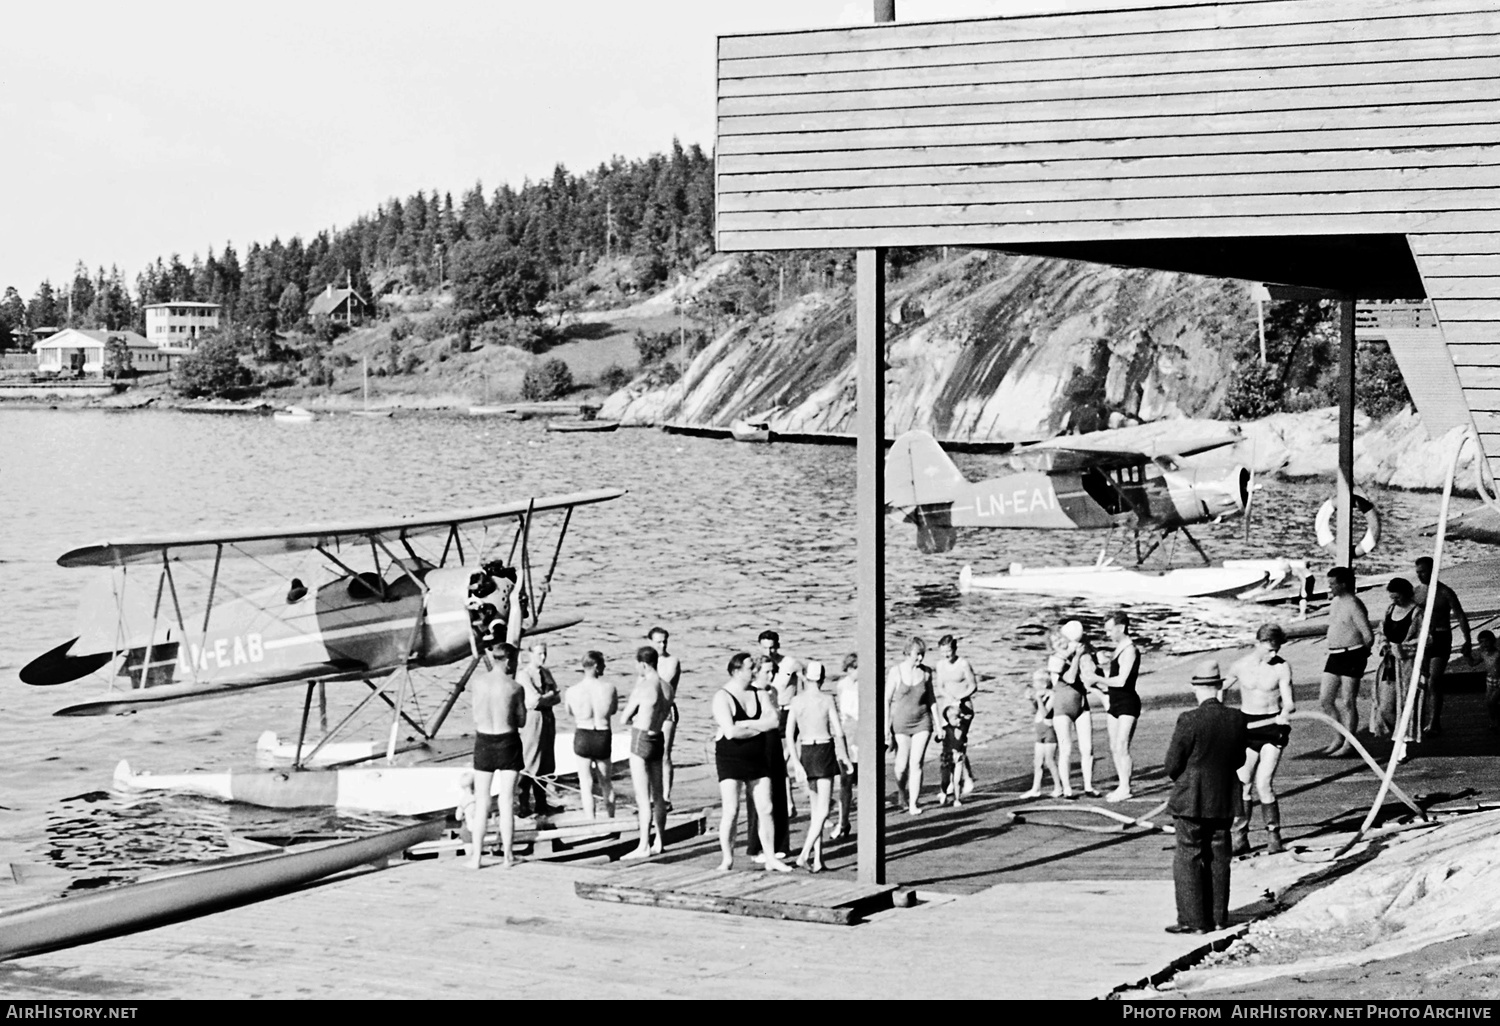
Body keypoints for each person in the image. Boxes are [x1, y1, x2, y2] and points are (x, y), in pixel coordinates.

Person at [1164, 659, 1248, 934]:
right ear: (1220, 687)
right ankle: (1218, 917)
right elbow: (1238, 759)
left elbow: (1172, 765)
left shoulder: (1189, 719)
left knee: (1188, 855)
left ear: (1196, 689)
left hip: (1192, 797)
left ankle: (1192, 920)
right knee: (1219, 856)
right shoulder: (1237, 718)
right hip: (1223, 797)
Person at [712, 652, 792, 873]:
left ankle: (770, 857)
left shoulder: (760, 693)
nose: (755, 672)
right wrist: (759, 725)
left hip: (757, 757)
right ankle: (727, 858)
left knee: (766, 807)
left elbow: (774, 721)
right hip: (730, 758)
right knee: (731, 809)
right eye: (751, 668)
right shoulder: (722, 696)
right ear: (737, 671)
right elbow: (731, 732)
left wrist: (747, 723)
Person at [1222, 624, 1295, 856]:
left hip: (1272, 728)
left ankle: (1274, 836)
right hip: (1247, 727)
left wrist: (1286, 713)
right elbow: (1220, 688)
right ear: (1258, 643)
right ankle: (1240, 838)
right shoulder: (1240, 666)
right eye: (1269, 650)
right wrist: (1218, 710)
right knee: (1243, 782)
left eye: (1277, 649)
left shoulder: (1282, 667)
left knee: (1264, 783)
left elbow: (1290, 701)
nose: (1274, 654)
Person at [787, 659, 853, 872]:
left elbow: (790, 734)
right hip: (823, 750)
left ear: (805, 678)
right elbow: (839, 731)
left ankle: (818, 859)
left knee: (817, 810)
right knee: (823, 809)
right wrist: (845, 757)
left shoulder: (797, 701)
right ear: (822, 679)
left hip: (806, 750)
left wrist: (796, 762)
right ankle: (805, 854)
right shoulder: (827, 700)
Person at [468, 640, 527, 869]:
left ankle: (476, 858)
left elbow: (475, 715)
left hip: (484, 740)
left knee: (482, 801)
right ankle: (508, 857)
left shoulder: (478, 683)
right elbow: (521, 720)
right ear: (510, 660)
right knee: (506, 800)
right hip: (507, 741)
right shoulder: (514, 687)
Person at [620, 646, 670, 859]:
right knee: (658, 795)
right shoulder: (667, 687)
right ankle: (660, 840)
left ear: (642, 664)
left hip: (641, 737)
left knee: (643, 797)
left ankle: (643, 845)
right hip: (658, 736)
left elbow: (624, 718)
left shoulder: (644, 686)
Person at [1317, 566, 1374, 758]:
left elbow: (1368, 634)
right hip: (1335, 655)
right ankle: (1338, 737)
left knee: (1348, 701)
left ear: (1343, 584)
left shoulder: (1354, 604)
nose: (1330, 587)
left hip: (1352, 654)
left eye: (1333, 584)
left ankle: (1350, 743)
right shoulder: (1335, 602)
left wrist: (1362, 656)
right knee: (1325, 699)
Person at [1414, 555, 1473, 736]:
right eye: (1418, 572)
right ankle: (1419, 721)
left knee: (1434, 680)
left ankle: (1434, 721)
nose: (1420, 575)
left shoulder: (1445, 592)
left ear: (1433, 570)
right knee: (1421, 681)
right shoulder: (1416, 592)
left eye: (1423, 571)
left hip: (1441, 637)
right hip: (1422, 639)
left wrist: (1467, 639)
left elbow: (1460, 615)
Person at [1088, 610, 1141, 803]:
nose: (1108, 634)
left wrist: (1097, 678)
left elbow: (1121, 681)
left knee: (1122, 746)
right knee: (1113, 747)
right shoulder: (1119, 648)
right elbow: (1112, 677)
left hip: (1128, 702)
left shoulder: (1130, 650)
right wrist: (1102, 668)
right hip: (1115, 702)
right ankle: (1121, 784)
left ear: (1121, 628)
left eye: (1110, 630)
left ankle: (1126, 787)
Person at [745, 655, 793, 860]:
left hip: (773, 742)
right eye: (767, 671)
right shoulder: (750, 692)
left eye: (773, 671)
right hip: (756, 742)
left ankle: (780, 842)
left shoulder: (773, 691)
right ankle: (756, 846)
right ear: (756, 672)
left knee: (779, 791)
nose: (771, 675)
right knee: (758, 796)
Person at [565, 650, 617, 820]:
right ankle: (610, 819)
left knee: (585, 784)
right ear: (595, 666)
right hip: (602, 733)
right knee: (606, 782)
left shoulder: (572, 691)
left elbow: (569, 712)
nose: (604, 667)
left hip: (583, 734)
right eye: (602, 664)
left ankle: (590, 821)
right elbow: (613, 710)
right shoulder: (609, 688)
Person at [1049, 621, 1099, 798]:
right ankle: (1067, 788)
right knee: (1066, 749)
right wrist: (1076, 656)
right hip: (1063, 707)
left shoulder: (1082, 653)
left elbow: (1092, 673)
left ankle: (1088, 786)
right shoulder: (1056, 660)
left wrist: (1088, 653)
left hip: (1081, 705)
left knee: (1088, 748)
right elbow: (1070, 678)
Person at [886, 636, 935, 815]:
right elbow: (886, 700)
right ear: (908, 653)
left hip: (923, 722)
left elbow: (932, 699)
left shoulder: (927, 672)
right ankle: (901, 793)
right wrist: (886, 728)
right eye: (917, 654)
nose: (920, 658)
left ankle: (914, 803)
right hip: (901, 723)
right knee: (901, 764)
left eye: (922, 654)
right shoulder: (895, 672)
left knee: (917, 763)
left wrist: (937, 722)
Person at [517, 640, 564, 817]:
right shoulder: (524, 675)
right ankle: (523, 804)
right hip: (533, 719)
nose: (543, 657)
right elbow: (533, 701)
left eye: (545, 653)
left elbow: (557, 698)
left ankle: (541, 803)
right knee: (529, 758)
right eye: (539, 654)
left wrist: (548, 697)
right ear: (530, 655)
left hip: (548, 718)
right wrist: (549, 696)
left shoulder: (546, 672)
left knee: (546, 760)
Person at [1373, 578, 1421, 740]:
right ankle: (1399, 738)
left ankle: (1403, 741)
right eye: (1392, 597)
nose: (1395, 601)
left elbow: (1426, 640)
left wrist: (1401, 648)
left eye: (1397, 597)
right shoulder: (1390, 610)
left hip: (1407, 664)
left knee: (1405, 704)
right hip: (1389, 665)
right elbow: (1381, 632)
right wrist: (1384, 644)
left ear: (1406, 594)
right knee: (1385, 707)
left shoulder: (1417, 612)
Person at [933, 634, 978, 806]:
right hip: (948, 708)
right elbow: (940, 687)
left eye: (948, 651)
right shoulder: (940, 665)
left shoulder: (963, 664)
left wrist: (960, 697)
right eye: (943, 651)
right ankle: (953, 780)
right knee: (948, 745)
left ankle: (965, 779)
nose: (946, 655)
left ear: (954, 649)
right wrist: (949, 697)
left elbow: (973, 685)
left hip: (963, 708)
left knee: (958, 744)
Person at [647, 626, 682, 810]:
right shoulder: (646, 662)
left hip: (666, 709)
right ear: (650, 642)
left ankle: (666, 797)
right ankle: (652, 795)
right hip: (649, 710)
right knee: (648, 754)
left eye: (664, 641)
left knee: (664, 754)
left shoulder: (672, 661)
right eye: (658, 642)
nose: (662, 645)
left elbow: (663, 684)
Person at [1020, 668, 1061, 798]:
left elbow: (1045, 713)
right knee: (1037, 762)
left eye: (1035, 682)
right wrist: (1032, 700)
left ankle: (1058, 787)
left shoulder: (1052, 695)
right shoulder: (1042, 695)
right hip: (1040, 731)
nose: (1033, 684)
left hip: (1049, 731)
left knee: (1050, 760)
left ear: (1043, 683)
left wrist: (1038, 698)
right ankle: (1035, 788)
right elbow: (1035, 711)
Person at [832, 652, 859, 840]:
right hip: (847, 734)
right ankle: (843, 821)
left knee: (864, 779)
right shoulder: (842, 685)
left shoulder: (869, 684)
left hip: (863, 733)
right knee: (845, 780)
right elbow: (840, 712)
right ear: (849, 669)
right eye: (856, 668)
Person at [1477, 630, 1500, 731]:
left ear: (1493, 641)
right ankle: (1493, 721)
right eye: (1481, 642)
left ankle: (1495, 722)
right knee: (1489, 702)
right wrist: (1466, 655)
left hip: (1499, 680)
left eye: (1487, 641)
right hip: (1490, 680)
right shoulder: (1483, 654)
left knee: (1492, 701)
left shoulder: (1498, 654)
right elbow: (1473, 663)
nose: (1484, 644)